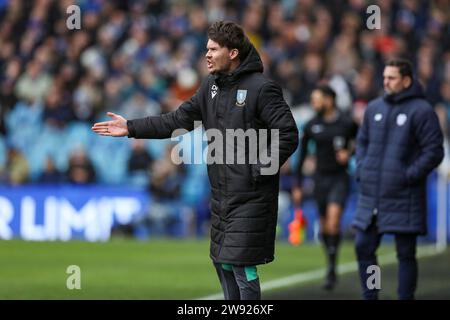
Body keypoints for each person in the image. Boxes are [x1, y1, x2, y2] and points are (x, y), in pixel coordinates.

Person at [92, 21, 299, 300]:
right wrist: (130, 127)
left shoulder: (261, 89)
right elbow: (175, 121)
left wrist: (260, 169)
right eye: (206, 49)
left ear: (233, 53)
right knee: (223, 262)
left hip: (252, 195)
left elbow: (287, 132)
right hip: (222, 195)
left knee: (241, 263)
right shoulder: (209, 88)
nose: (207, 54)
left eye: (214, 49)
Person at [353, 58, 444, 300]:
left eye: (391, 78)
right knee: (364, 246)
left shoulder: (422, 111)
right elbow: (361, 142)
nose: (386, 82)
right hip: (372, 195)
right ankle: (371, 295)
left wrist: (408, 176)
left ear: (406, 80)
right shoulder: (374, 108)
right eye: (384, 77)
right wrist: (362, 167)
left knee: (405, 252)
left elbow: (434, 151)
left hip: (405, 194)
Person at [293, 85, 358, 290]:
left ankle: (331, 268)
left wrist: (349, 153)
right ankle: (331, 262)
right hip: (320, 179)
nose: (314, 103)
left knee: (333, 220)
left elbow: (360, 142)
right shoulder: (312, 125)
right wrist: (298, 184)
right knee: (324, 227)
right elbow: (302, 156)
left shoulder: (346, 123)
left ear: (329, 100)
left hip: (339, 178)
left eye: (317, 99)